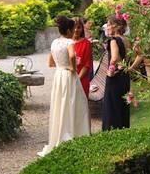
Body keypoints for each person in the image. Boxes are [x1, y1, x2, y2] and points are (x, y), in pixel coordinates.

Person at [39, 15, 90, 157]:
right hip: (68, 76)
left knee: (60, 105)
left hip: (58, 75)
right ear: (69, 29)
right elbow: (73, 56)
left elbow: (50, 62)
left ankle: (59, 136)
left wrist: (61, 65)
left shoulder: (54, 42)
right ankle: (76, 134)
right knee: (75, 104)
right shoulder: (69, 42)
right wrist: (72, 68)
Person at [102, 16, 133, 131]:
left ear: (116, 26)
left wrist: (110, 71)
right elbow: (133, 57)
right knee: (122, 106)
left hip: (115, 77)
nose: (107, 27)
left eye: (109, 24)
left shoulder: (113, 40)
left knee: (112, 107)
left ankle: (111, 134)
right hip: (124, 76)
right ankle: (123, 130)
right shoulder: (126, 40)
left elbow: (114, 58)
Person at [72, 17, 93, 97]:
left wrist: (77, 79)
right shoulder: (66, 43)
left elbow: (87, 65)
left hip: (82, 79)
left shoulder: (86, 43)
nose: (76, 30)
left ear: (82, 29)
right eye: (73, 27)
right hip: (68, 79)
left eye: (78, 27)